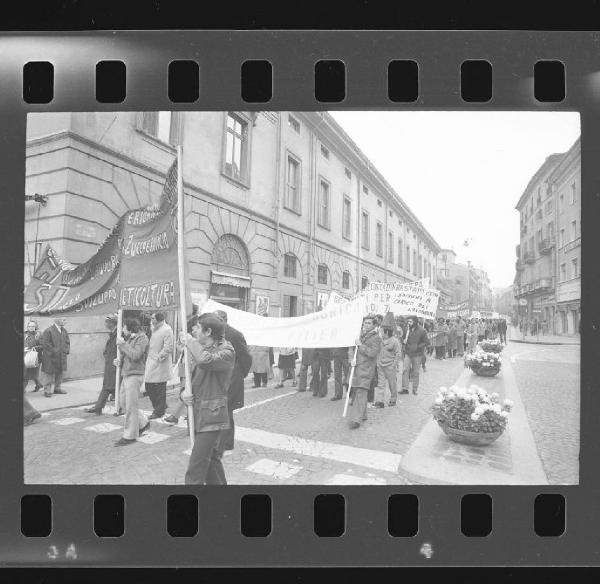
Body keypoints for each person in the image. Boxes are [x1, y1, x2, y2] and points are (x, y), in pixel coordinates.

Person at [181, 314, 235, 485]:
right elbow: (192, 379)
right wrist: (183, 394)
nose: (193, 330)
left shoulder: (227, 351)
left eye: (197, 327)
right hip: (198, 414)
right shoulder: (200, 348)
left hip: (212, 417)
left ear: (208, 331)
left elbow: (206, 361)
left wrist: (190, 342)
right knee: (211, 462)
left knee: (195, 470)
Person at [212, 310, 252, 457]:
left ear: (223, 320)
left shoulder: (235, 334)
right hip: (217, 376)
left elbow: (246, 357)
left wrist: (241, 373)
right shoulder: (213, 334)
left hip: (231, 377)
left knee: (226, 410)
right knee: (222, 410)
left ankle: (224, 444)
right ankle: (223, 442)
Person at [113, 318, 151, 446]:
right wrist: (119, 361)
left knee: (130, 406)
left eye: (124, 327)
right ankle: (143, 423)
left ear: (129, 327)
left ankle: (130, 435)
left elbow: (135, 355)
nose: (122, 329)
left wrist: (123, 344)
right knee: (123, 402)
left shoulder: (142, 338)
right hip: (127, 373)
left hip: (135, 375)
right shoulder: (130, 338)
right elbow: (128, 356)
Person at [348, 315, 382, 429]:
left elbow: (372, 353)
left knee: (360, 393)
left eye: (369, 323)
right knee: (358, 391)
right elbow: (352, 349)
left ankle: (356, 420)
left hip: (366, 369)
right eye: (365, 323)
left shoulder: (377, 338)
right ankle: (363, 415)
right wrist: (351, 359)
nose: (366, 325)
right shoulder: (361, 335)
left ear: (374, 325)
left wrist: (361, 345)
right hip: (357, 368)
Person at [85, 314, 119, 415]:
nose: (105, 324)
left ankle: (99, 407)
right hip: (110, 363)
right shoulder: (113, 333)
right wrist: (106, 355)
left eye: (107, 321)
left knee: (110, 386)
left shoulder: (118, 334)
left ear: (112, 323)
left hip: (114, 364)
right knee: (109, 386)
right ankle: (99, 407)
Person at [144, 312, 174, 420]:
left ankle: (159, 411)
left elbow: (168, 347)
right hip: (151, 360)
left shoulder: (167, 330)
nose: (151, 320)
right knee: (149, 385)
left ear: (159, 319)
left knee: (160, 387)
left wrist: (158, 358)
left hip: (161, 363)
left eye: (153, 318)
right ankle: (161, 406)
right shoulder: (153, 327)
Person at [40, 317, 70, 397]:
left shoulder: (64, 331)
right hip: (50, 356)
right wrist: (54, 352)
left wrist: (66, 350)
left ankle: (57, 388)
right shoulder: (48, 330)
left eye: (65, 319)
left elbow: (67, 342)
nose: (64, 321)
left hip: (61, 355)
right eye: (62, 319)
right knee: (49, 373)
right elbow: (46, 344)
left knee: (60, 372)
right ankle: (47, 390)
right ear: (56, 320)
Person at [401, 315, 429, 395]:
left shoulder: (422, 330)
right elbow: (402, 338)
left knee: (416, 372)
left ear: (415, 322)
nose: (409, 323)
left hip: (417, 354)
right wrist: (403, 340)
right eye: (408, 321)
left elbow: (426, 342)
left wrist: (418, 346)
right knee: (405, 370)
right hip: (408, 353)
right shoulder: (406, 329)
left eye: (411, 321)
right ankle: (405, 388)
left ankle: (415, 389)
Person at [374, 326, 401, 407]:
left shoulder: (395, 341)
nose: (380, 333)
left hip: (390, 366)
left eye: (382, 332)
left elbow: (398, 354)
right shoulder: (380, 340)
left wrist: (393, 365)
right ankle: (380, 401)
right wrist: (378, 362)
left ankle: (393, 399)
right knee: (381, 384)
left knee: (392, 384)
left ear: (386, 333)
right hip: (381, 365)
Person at [23, 320, 43, 392]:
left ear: (36, 327)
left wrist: (33, 348)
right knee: (31, 374)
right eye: (29, 326)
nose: (31, 328)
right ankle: (38, 385)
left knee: (27, 375)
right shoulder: (25, 334)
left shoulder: (38, 335)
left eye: (33, 326)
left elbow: (42, 346)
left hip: (35, 358)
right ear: (27, 327)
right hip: (25, 357)